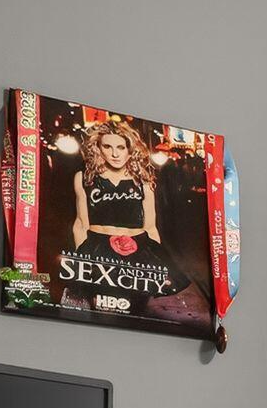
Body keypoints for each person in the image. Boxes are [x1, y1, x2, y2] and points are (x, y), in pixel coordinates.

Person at [63, 119, 182, 314]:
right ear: (98, 148)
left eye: (121, 147)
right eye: (107, 147)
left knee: (135, 308)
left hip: (138, 251)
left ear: (130, 149)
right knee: (99, 308)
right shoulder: (84, 177)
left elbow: (150, 227)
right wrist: (82, 262)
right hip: (98, 249)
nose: (115, 153)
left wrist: (159, 263)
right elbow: (80, 224)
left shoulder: (143, 180)